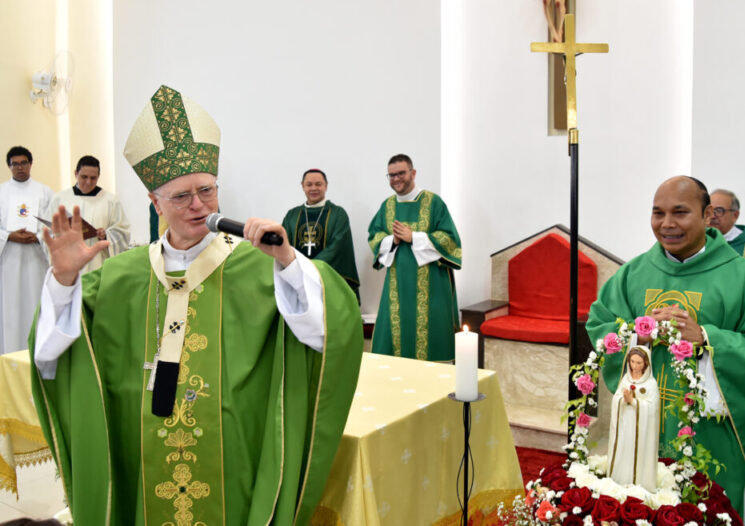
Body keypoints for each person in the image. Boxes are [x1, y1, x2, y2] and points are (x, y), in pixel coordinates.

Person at [31, 85, 363, 525]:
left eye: (206, 190)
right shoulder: (122, 273)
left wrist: (286, 260)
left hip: (233, 459)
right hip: (141, 459)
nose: (198, 205)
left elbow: (328, 332)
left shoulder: (257, 260)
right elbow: (52, 352)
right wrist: (65, 278)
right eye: (181, 196)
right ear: (155, 203)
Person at [587, 176, 745, 526]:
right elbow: (600, 324)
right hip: (642, 428)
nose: (667, 224)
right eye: (658, 213)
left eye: (680, 212)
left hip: (712, 436)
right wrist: (636, 336)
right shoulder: (633, 274)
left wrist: (708, 338)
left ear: (708, 214)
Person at [367, 154, 461, 360]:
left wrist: (414, 237)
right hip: (397, 284)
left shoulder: (433, 202)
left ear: (413, 173)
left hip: (432, 286)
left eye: (401, 173)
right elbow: (374, 237)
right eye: (391, 175)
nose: (396, 179)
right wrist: (392, 240)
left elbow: (450, 240)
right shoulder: (387, 206)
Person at [0, 146, 53, 365]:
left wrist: (39, 236)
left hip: (35, 260)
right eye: (15, 164)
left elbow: (54, 224)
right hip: (8, 260)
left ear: (31, 164)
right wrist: (10, 236)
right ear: (9, 166)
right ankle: (10, 360)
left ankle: (38, 359)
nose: (19, 167)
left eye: (23, 163)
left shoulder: (45, 192)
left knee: (35, 306)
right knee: (9, 311)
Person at [282, 168, 360, 301]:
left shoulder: (338, 214)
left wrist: (310, 267)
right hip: (298, 279)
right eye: (309, 184)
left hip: (328, 279)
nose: (314, 188)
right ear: (302, 186)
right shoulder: (292, 215)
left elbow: (338, 247)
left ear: (326, 186)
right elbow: (283, 244)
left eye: (318, 184)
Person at [44, 155, 131, 275]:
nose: (88, 182)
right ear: (75, 173)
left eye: (93, 178)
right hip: (69, 263)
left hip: (98, 264)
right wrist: (60, 235)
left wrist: (105, 235)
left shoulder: (110, 200)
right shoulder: (59, 199)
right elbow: (46, 232)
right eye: (84, 177)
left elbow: (123, 232)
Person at [607, 346, 659, 491]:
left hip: (641, 429)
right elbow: (617, 397)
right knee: (623, 450)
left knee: (637, 454)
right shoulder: (626, 379)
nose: (634, 366)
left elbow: (652, 407)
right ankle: (619, 480)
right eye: (632, 362)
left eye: (638, 363)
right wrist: (622, 399)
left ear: (646, 364)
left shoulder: (651, 384)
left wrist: (634, 402)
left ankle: (638, 485)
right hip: (625, 424)